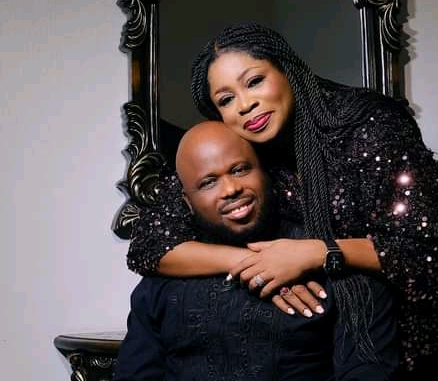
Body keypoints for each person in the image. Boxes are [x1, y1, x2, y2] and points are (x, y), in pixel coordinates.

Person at [126, 22, 438, 374]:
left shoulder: (369, 123)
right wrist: (258, 263)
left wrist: (314, 253)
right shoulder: (246, 149)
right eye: (226, 99)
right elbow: (150, 245)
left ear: (287, 70)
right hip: (377, 320)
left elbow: (428, 250)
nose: (245, 105)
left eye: (254, 81)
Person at [114, 120, 401, 381]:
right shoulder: (161, 280)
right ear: (187, 202)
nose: (230, 189)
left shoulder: (337, 268)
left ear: (266, 173)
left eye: (240, 169)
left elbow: (368, 371)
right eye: (209, 182)